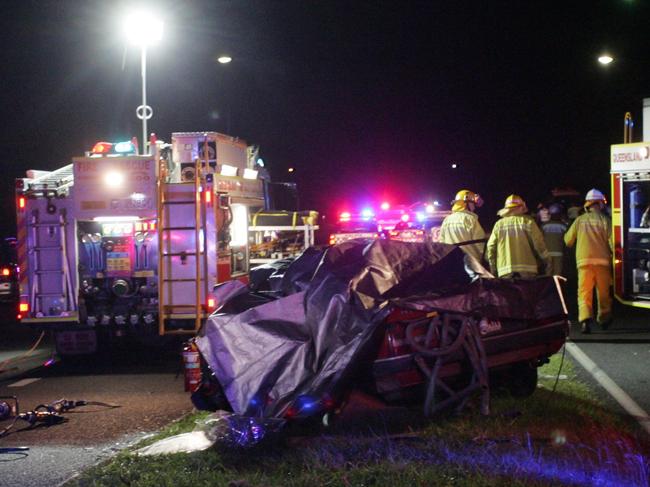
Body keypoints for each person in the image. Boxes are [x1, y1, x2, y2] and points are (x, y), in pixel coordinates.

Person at [564, 188, 613, 334]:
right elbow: (612, 242)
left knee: (584, 293)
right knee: (603, 292)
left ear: (588, 204)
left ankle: (585, 321)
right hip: (603, 262)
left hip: (584, 263)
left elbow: (568, 240)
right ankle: (604, 318)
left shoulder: (579, 221)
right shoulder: (605, 220)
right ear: (599, 203)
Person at [486, 194, 551, 279]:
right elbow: (539, 244)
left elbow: (490, 247)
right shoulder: (528, 222)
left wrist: (493, 269)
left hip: (505, 272)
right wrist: (547, 262)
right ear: (521, 207)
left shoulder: (498, 225)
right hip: (528, 271)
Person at [439, 189, 487, 265]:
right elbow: (480, 245)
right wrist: (485, 260)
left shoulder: (447, 220)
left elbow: (441, 242)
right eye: (473, 204)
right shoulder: (470, 219)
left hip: (451, 264)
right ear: (466, 203)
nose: (474, 207)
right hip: (471, 264)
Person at [541, 203, 568, 276]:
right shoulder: (564, 226)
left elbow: (540, 240)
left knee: (548, 274)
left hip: (547, 254)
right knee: (557, 275)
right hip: (559, 254)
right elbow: (567, 241)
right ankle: (556, 287)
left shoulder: (544, 226)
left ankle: (548, 287)